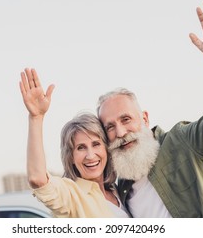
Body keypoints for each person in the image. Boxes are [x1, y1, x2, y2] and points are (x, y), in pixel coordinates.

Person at [96, 2, 203, 218]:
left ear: (145, 118)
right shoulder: (121, 187)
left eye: (126, 119)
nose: (120, 132)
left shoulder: (183, 142)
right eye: (110, 126)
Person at [19, 68, 129, 218]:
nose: (90, 155)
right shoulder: (71, 195)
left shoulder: (117, 190)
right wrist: (36, 118)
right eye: (81, 148)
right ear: (70, 156)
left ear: (106, 148)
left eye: (96, 144)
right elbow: (37, 179)